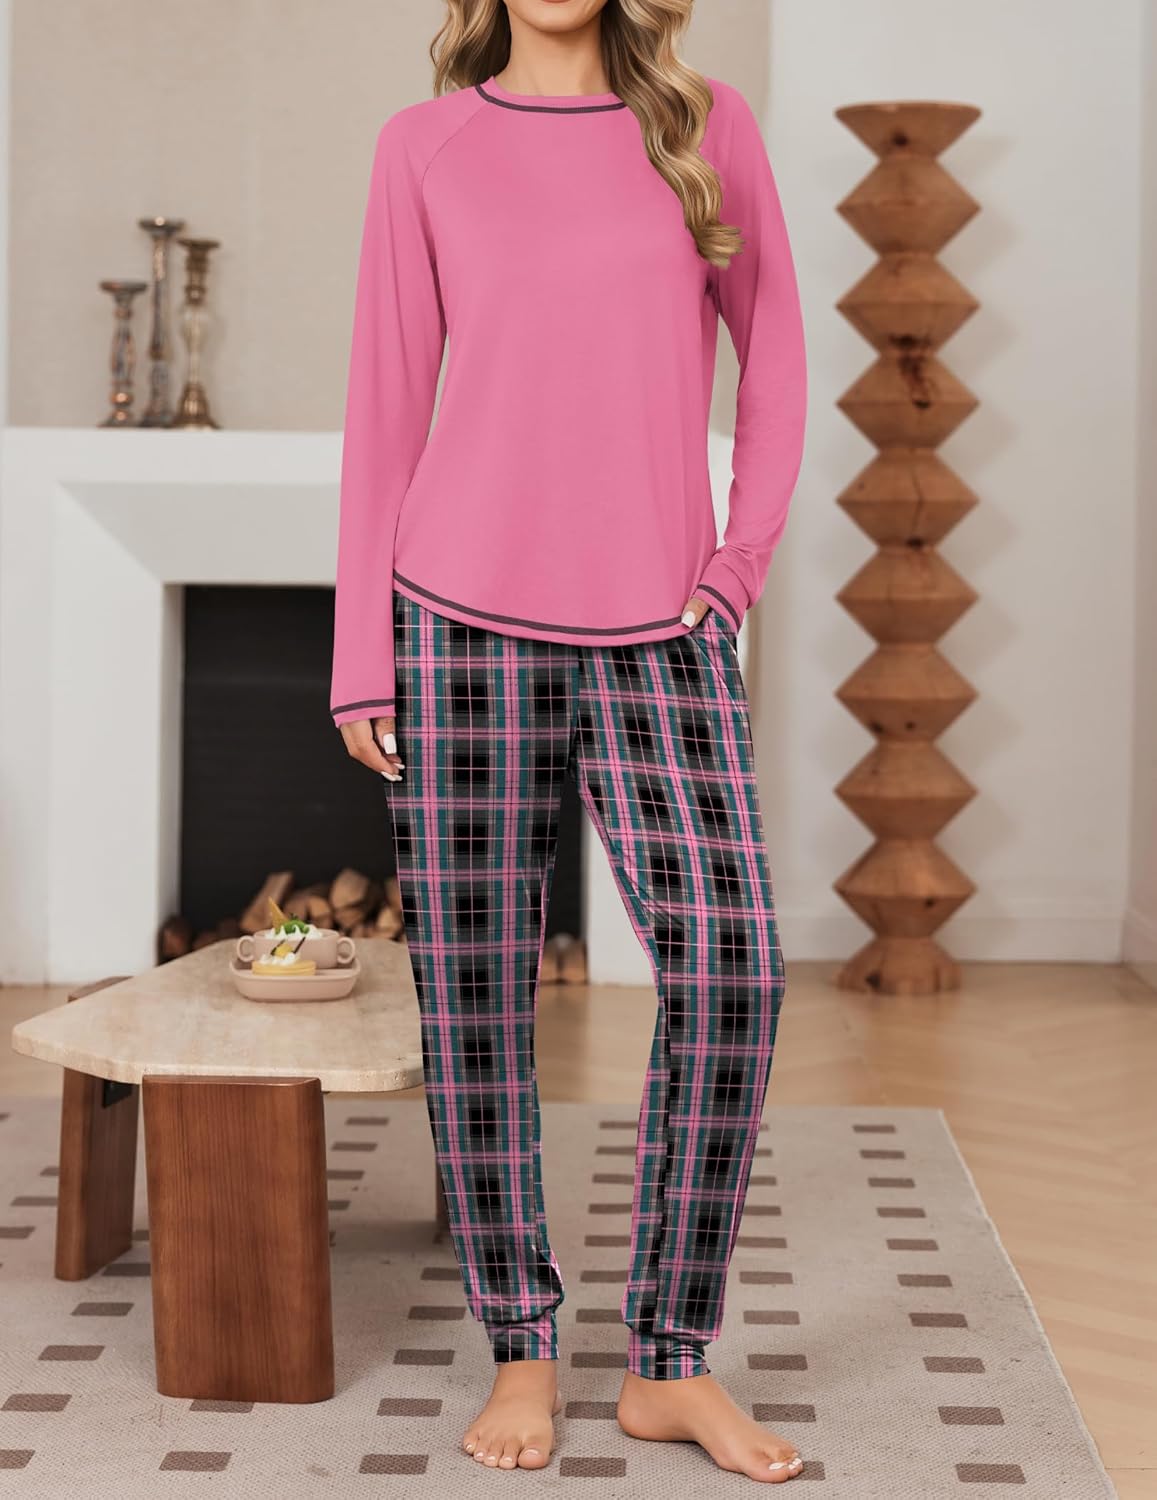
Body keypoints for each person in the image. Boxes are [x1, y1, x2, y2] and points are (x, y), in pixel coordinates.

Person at [330, 0, 807, 1482]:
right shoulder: (422, 146)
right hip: (453, 617)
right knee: (475, 1000)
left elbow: (778, 359)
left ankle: (669, 1361)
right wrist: (361, 654)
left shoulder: (706, 129)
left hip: (663, 623)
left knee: (731, 968)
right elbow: (385, 407)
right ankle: (522, 1346)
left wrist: (735, 566)